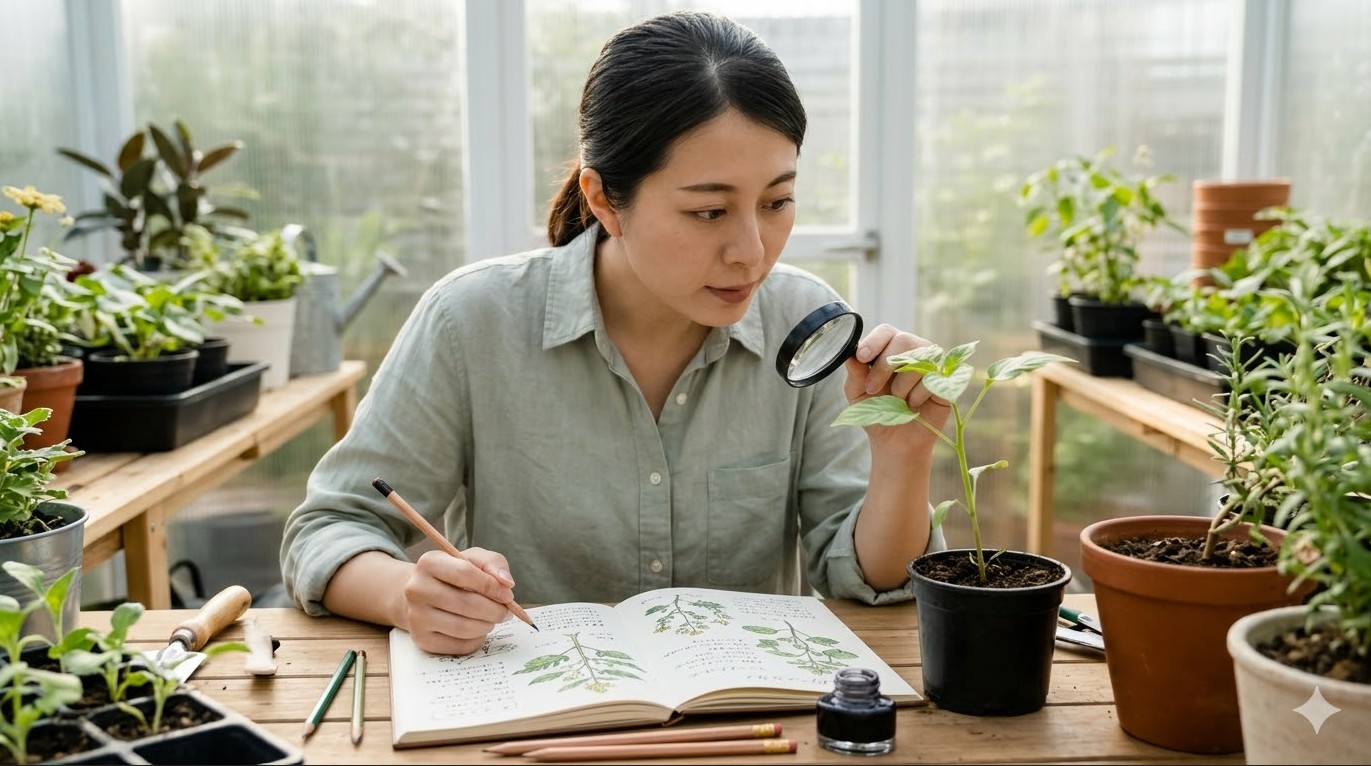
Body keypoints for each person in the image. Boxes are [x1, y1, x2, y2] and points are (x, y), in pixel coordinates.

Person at [280, 10, 950, 656]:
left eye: (777, 201)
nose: (751, 251)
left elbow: (867, 578)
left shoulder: (806, 323)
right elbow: (329, 528)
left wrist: (903, 459)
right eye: (708, 211)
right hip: (535, 704)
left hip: (746, 716)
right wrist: (407, 595)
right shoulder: (471, 320)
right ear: (604, 200)